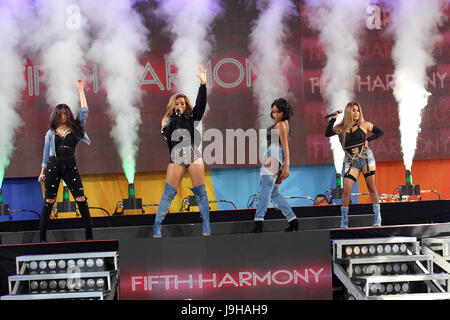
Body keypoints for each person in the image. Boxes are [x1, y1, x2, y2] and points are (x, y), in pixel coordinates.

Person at [153, 66, 210, 238]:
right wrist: (176, 117)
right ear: (173, 106)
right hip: (177, 156)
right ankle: (157, 227)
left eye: (183, 103)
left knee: (200, 191)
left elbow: (201, 105)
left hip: (192, 154)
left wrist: (203, 84)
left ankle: (206, 226)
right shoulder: (167, 120)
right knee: (168, 193)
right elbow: (169, 134)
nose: (180, 105)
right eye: (177, 103)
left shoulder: (192, 118)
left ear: (186, 106)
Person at [38, 80, 93, 242]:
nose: (63, 115)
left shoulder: (75, 128)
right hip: (53, 166)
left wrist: (81, 90)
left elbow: (84, 110)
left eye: (65, 113)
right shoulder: (50, 133)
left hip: (70, 164)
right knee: (49, 200)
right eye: (60, 113)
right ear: (56, 115)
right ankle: (42, 236)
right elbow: (45, 155)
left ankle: (89, 234)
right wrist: (42, 171)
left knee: (81, 198)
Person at [325, 101, 384, 228]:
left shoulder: (365, 125)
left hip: (366, 158)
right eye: (353, 110)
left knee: (371, 187)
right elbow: (328, 133)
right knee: (346, 191)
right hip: (351, 161)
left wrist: (368, 140)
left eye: (358, 110)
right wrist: (332, 119)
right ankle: (344, 222)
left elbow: (380, 132)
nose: (356, 113)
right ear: (348, 112)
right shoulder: (341, 128)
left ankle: (377, 219)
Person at [252, 98, 299, 233]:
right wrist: (283, 164)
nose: (275, 115)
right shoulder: (283, 123)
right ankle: (293, 220)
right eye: (273, 112)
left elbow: (285, 146)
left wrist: (286, 166)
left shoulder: (281, 125)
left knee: (266, 191)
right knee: (273, 193)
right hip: (275, 157)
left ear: (284, 111)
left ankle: (258, 222)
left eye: (278, 112)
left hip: (274, 156)